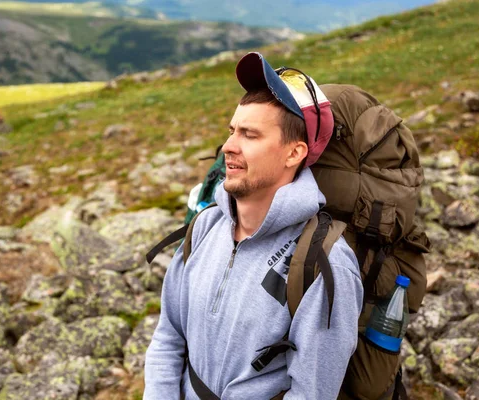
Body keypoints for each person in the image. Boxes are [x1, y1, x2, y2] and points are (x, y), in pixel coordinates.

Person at [144, 52, 363, 399]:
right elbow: (169, 335)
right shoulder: (205, 226)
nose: (228, 147)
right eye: (232, 130)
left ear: (294, 153)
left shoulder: (322, 263)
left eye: (250, 134)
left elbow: (312, 393)